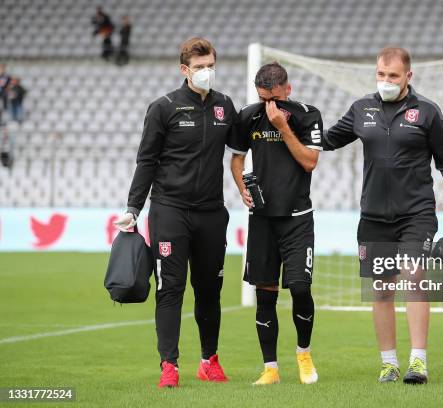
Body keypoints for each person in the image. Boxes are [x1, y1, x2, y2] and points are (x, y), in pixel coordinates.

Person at [323, 47, 443, 385]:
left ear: (409, 76)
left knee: (414, 278)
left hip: (416, 214)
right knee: (381, 289)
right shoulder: (361, 109)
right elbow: (325, 141)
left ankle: (418, 362)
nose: (386, 81)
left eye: (393, 76)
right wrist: (286, 127)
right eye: (381, 74)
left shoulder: (427, 113)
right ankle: (389, 363)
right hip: (374, 217)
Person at [114, 37, 237, 388]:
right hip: (169, 210)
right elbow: (146, 161)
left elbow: (244, 144)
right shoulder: (163, 107)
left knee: (210, 290)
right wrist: (133, 208)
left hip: (212, 213)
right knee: (170, 288)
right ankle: (169, 365)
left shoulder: (225, 106)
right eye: (199, 67)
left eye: (211, 65)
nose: (206, 72)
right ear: (185, 70)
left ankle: (209, 361)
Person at [227, 62, 322, 385]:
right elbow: (237, 159)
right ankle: (271, 368)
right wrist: (241, 186)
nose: (271, 107)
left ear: (288, 89)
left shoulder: (308, 115)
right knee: (264, 294)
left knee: (299, 287)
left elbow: (310, 162)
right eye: (264, 99)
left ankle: (304, 355)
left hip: (297, 219)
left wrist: (282, 127)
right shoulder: (247, 116)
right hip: (262, 220)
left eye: (276, 99)